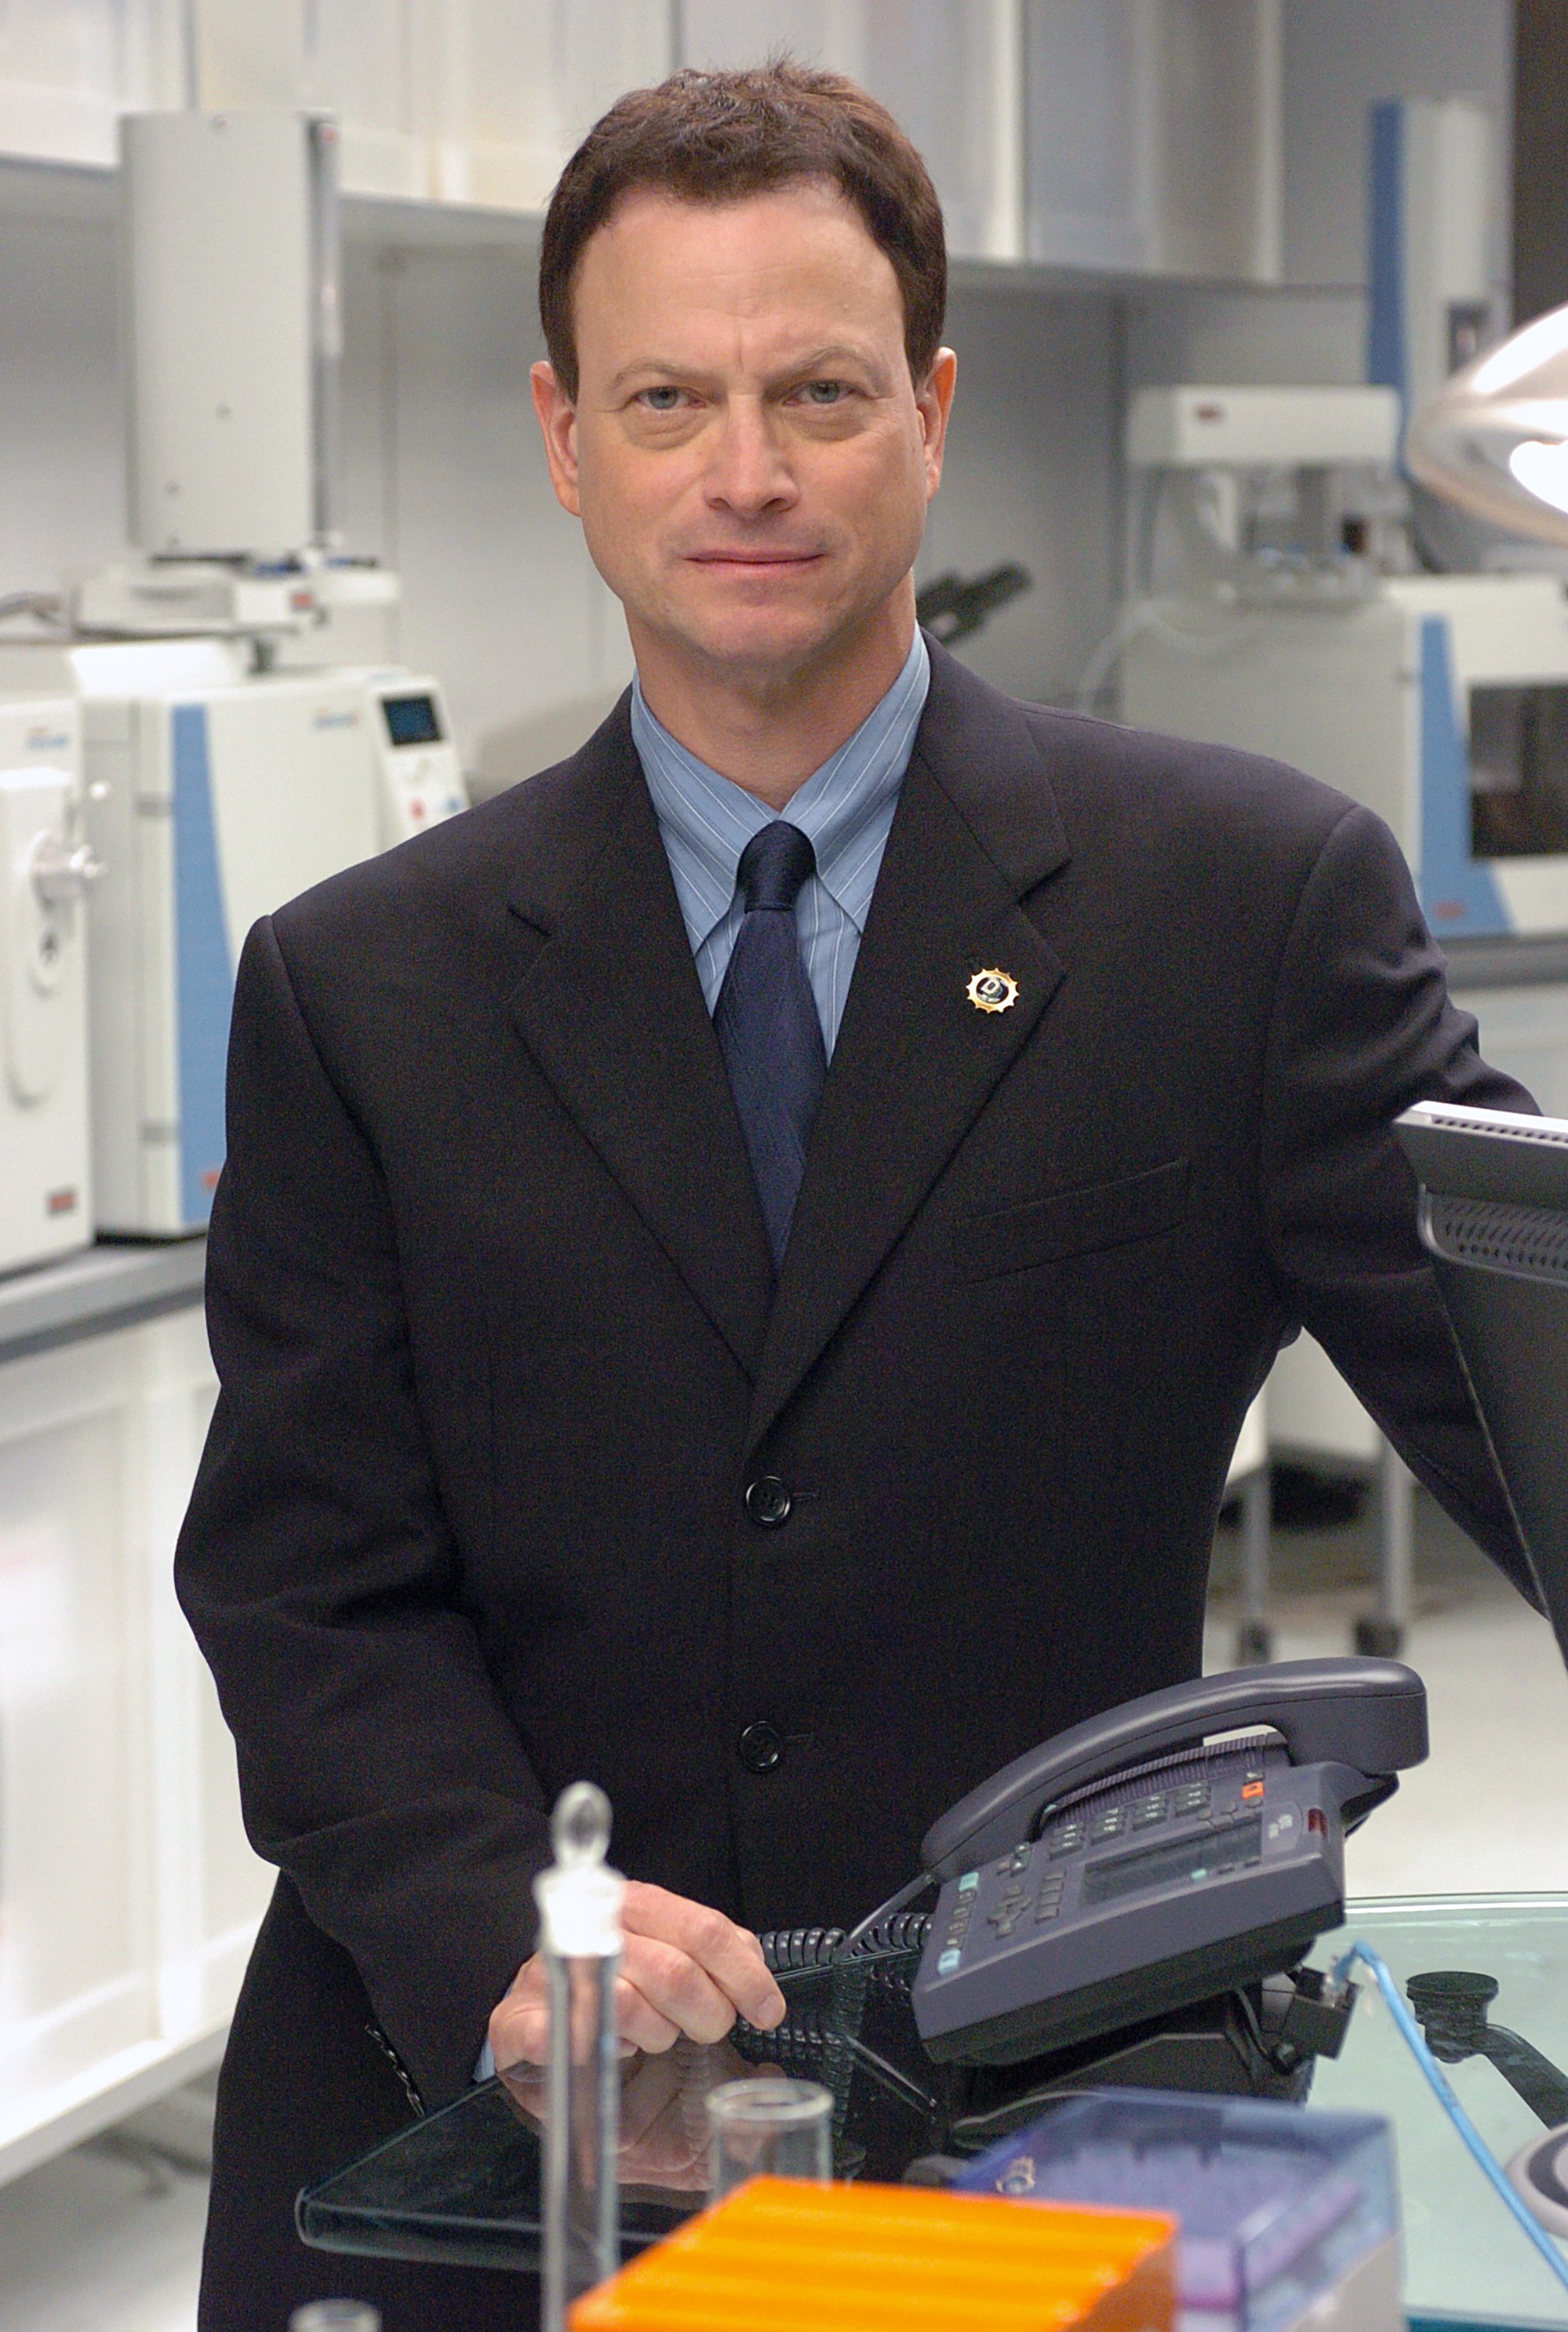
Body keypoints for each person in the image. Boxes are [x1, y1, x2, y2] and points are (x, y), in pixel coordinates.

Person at [176, 59, 1538, 2330]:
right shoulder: (358, 987)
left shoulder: (1240, 904)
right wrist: (500, 1912)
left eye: (814, 391)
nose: (744, 472)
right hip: (483, 2132)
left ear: (925, 409)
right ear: (562, 436)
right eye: (665, 398)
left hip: (1029, 2104)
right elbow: (308, 1585)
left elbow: (1531, 1392)